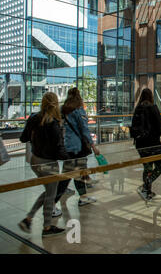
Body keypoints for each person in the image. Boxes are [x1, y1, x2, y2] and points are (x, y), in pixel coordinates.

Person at [18, 92, 69, 237]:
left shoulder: (34, 118)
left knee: (49, 192)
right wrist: (69, 158)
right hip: (48, 163)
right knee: (50, 194)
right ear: (55, 103)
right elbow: (58, 148)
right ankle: (46, 227)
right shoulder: (53, 122)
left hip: (35, 160)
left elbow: (23, 138)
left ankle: (29, 219)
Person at [53, 87, 100, 211]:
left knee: (76, 173)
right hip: (77, 147)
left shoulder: (62, 109)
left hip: (66, 145)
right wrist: (93, 146)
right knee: (67, 176)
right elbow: (84, 129)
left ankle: (83, 196)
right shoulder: (78, 110)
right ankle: (52, 203)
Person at [131, 88, 161, 200]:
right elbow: (160, 125)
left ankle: (147, 191)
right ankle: (146, 184)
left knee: (147, 167)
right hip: (153, 144)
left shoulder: (138, 109)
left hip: (140, 144)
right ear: (151, 97)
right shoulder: (153, 108)